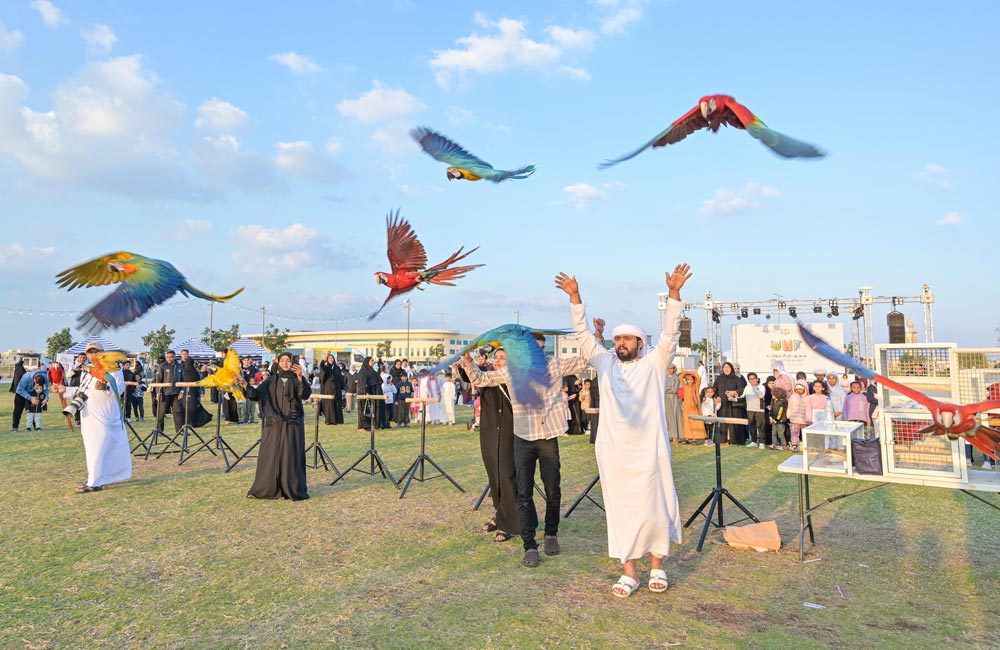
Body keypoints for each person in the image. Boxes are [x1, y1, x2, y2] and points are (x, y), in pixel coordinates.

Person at [557, 264, 690, 597]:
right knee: (620, 510)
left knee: (655, 507)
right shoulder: (605, 364)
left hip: (650, 450)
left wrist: (674, 295)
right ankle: (629, 572)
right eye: (617, 338)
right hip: (614, 452)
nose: (620, 343)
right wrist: (575, 298)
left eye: (626, 338)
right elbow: (583, 338)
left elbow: (670, 335)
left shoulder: (654, 364)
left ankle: (657, 567)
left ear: (639, 342)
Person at [461, 328, 588, 569]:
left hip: (548, 437)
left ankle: (551, 534)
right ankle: (529, 545)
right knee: (524, 492)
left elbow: (583, 360)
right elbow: (481, 380)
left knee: (553, 491)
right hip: (523, 438)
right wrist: (468, 361)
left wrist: (595, 336)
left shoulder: (553, 365)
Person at [456, 349, 518, 543]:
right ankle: (499, 515)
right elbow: (472, 375)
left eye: (503, 358)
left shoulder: (516, 380)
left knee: (507, 476)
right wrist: (466, 361)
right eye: (496, 358)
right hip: (490, 431)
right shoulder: (486, 376)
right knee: (494, 475)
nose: (498, 361)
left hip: (511, 431)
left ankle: (509, 523)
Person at [240, 352, 311, 500]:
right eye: (283, 360)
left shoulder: (297, 379)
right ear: (278, 362)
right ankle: (267, 488)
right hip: (274, 424)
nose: (285, 363)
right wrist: (245, 384)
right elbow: (255, 395)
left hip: (293, 423)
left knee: (290, 455)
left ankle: (290, 489)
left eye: (288, 361)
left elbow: (304, 394)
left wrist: (300, 377)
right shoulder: (271, 381)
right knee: (270, 455)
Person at [76, 342, 132, 493]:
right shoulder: (88, 370)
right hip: (88, 415)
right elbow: (82, 390)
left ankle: (94, 482)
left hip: (104, 416)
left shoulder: (112, 367)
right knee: (92, 449)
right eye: (89, 352)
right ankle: (95, 478)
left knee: (99, 448)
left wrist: (106, 387)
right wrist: (65, 389)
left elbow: (120, 387)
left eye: (96, 352)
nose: (92, 355)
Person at [713, 362, 747, 445]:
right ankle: (723, 439)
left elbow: (742, 390)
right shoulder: (719, 379)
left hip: (733, 404)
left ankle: (733, 439)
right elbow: (714, 390)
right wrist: (716, 397)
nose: (726, 369)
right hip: (722, 404)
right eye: (724, 367)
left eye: (728, 367)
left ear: (731, 368)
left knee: (733, 422)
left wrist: (734, 392)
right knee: (723, 421)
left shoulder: (737, 379)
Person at [152, 350, 184, 436]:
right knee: (161, 413)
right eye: (168, 357)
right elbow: (158, 380)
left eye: (171, 357)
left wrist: (182, 391)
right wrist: (158, 393)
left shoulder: (179, 366)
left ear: (174, 357)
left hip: (176, 393)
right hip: (165, 393)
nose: (169, 359)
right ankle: (159, 430)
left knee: (178, 411)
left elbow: (182, 379)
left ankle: (180, 430)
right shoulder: (162, 366)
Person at [12, 365, 49, 432]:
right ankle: (15, 427)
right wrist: (30, 398)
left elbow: (46, 389)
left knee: (35, 409)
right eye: (37, 384)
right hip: (21, 394)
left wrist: (46, 398)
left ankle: (36, 427)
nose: (37, 386)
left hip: (34, 394)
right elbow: (19, 389)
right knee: (18, 410)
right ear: (34, 379)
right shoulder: (26, 377)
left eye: (39, 386)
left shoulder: (45, 377)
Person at [678, 370, 706, 443]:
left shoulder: (696, 386)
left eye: (691, 379)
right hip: (687, 406)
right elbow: (680, 377)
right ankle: (686, 439)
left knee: (695, 422)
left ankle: (694, 439)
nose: (689, 381)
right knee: (687, 422)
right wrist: (686, 372)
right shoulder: (685, 386)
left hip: (694, 406)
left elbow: (699, 378)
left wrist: (692, 373)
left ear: (693, 380)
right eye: (687, 379)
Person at [356, 357, 382, 431]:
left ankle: (370, 425)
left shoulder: (372, 370)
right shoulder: (363, 371)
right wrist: (365, 391)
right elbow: (362, 383)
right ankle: (362, 426)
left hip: (372, 392)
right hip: (364, 392)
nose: (373, 362)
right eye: (371, 361)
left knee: (370, 410)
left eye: (373, 361)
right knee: (363, 409)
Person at [742, 372, 767, 448]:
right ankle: (754, 441)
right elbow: (743, 396)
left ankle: (762, 442)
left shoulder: (761, 387)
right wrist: (734, 399)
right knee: (752, 426)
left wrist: (755, 388)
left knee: (761, 426)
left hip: (759, 409)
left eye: (753, 379)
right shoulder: (747, 387)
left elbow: (761, 395)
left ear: (757, 379)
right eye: (750, 379)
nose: (752, 380)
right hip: (750, 409)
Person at [319, 354, 345, 425]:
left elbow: (340, 378)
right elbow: (321, 371)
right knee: (329, 404)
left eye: (332, 358)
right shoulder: (326, 367)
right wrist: (322, 361)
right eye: (329, 358)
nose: (331, 360)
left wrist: (343, 387)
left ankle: (338, 420)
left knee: (337, 404)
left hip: (337, 389)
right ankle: (329, 420)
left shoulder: (337, 368)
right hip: (328, 389)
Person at [664, 364, 683, 442]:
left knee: (675, 415)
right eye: (668, 368)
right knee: (667, 417)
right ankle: (668, 435)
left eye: (671, 369)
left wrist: (667, 389)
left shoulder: (676, 378)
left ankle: (676, 436)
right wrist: (669, 389)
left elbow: (675, 390)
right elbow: (662, 389)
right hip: (665, 399)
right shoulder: (663, 377)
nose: (670, 370)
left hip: (674, 399)